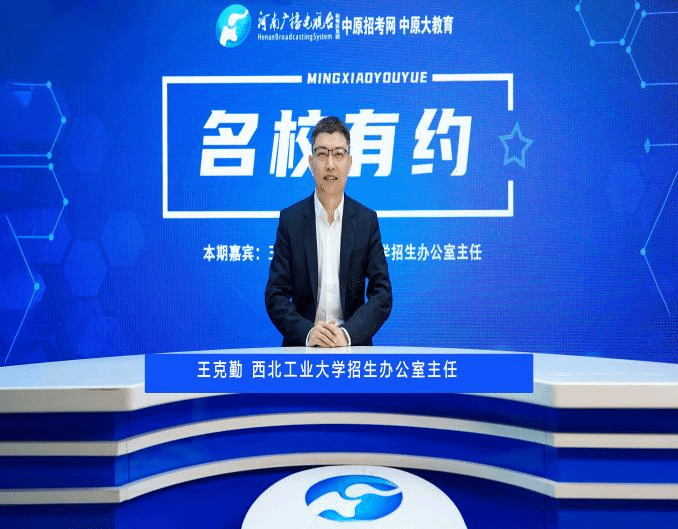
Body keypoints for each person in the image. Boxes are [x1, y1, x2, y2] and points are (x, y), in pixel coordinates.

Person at [265, 116, 392, 347]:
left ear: (349, 163)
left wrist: (348, 334)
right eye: (322, 154)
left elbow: (382, 294)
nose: (330, 164)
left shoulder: (366, 221)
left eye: (339, 154)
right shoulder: (291, 221)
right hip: (303, 347)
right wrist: (307, 333)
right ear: (311, 162)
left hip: (352, 347)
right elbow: (275, 294)